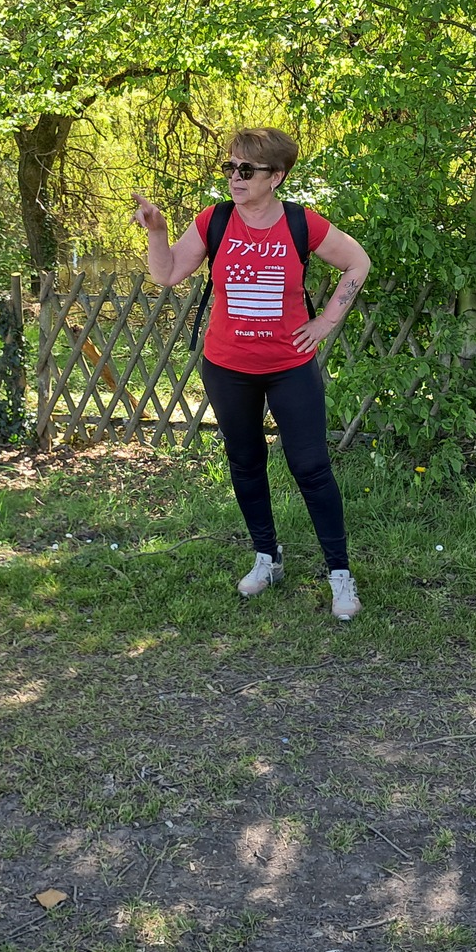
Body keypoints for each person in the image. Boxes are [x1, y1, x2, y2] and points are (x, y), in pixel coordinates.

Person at [133, 128, 371, 619]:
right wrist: (157, 230)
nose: (235, 177)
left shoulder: (301, 223)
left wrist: (325, 322)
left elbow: (357, 263)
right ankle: (267, 558)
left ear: (276, 176)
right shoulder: (214, 221)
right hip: (228, 367)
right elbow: (166, 274)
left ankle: (339, 574)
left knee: (311, 468)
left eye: (247, 169)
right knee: (245, 462)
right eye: (230, 167)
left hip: (289, 367)